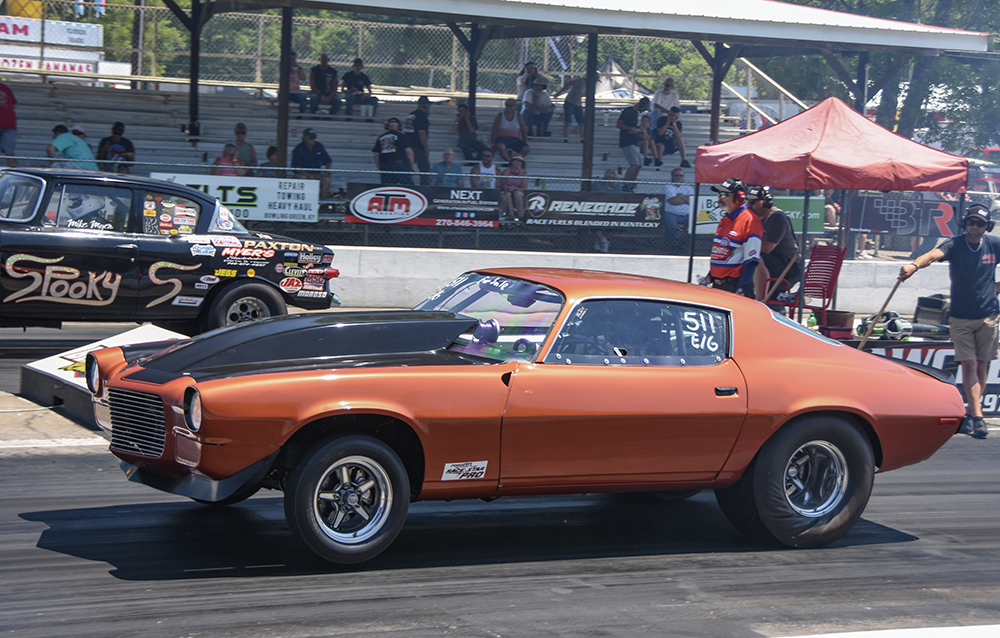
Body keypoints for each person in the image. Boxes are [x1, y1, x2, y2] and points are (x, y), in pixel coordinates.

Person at [900, 203, 999, 440]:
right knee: (970, 365)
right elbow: (932, 255)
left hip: (989, 316)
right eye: (971, 222)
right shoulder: (955, 244)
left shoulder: (994, 244)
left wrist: (996, 288)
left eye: (980, 223)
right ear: (964, 223)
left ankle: (971, 413)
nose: (975, 227)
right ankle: (978, 416)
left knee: (982, 365)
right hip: (960, 317)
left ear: (987, 226)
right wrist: (914, 265)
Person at [704, 178, 763, 298]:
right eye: (719, 194)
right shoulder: (725, 219)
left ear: (739, 197)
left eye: (724, 194)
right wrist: (710, 275)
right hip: (718, 285)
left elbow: (751, 260)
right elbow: (721, 254)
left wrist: (742, 288)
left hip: (735, 287)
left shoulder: (750, 220)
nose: (719, 198)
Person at [747, 185, 801, 300]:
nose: (749, 205)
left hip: (789, 267)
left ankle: (761, 301)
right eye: (748, 201)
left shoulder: (777, 217)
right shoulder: (753, 218)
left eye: (753, 202)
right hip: (774, 263)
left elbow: (767, 248)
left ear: (766, 202)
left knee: (755, 257)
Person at [615, 96, 650, 192]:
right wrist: (631, 128)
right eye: (644, 108)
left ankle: (630, 185)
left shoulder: (635, 114)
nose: (644, 111)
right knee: (634, 164)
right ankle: (624, 184)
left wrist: (640, 128)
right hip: (627, 141)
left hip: (633, 141)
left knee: (639, 165)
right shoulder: (628, 111)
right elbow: (618, 124)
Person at [372, 117, 414, 185]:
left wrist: (379, 166)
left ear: (387, 126)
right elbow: (409, 151)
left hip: (385, 165)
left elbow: (376, 154)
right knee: (408, 186)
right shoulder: (401, 136)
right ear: (399, 126)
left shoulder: (381, 137)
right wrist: (411, 165)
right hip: (398, 165)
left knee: (388, 186)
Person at [292, 128, 332, 197]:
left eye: (314, 137)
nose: (313, 140)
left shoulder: (319, 146)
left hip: (317, 173)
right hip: (303, 174)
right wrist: (310, 176)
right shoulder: (298, 149)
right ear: (305, 138)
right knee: (303, 178)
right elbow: (297, 167)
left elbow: (328, 161)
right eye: (311, 138)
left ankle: (322, 200)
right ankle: (304, 198)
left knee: (327, 179)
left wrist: (325, 172)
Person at [663, 167, 693, 250]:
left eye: (681, 175)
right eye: (676, 175)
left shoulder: (688, 187)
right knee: (672, 227)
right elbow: (673, 201)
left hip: (687, 214)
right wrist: (686, 199)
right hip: (670, 213)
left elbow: (692, 201)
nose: (679, 177)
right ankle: (672, 246)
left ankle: (683, 246)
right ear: (672, 176)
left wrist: (681, 196)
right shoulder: (667, 187)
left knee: (695, 226)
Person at [404, 96, 432, 185]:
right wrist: (426, 147)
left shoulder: (411, 115)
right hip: (418, 147)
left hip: (408, 146)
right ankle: (424, 188)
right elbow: (421, 132)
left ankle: (405, 185)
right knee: (425, 170)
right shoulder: (422, 116)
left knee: (406, 168)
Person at [552, 77, 585, 142]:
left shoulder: (591, 86)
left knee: (581, 122)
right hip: (570, 102)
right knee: (568, 121)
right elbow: (569, 83)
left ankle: (582, 138)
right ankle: (565, 138)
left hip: (578, 103)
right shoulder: (581, 81)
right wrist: (559, 93)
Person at [500, 154, 528, 220]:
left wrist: (515, 188)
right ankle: (512, 215)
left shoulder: (524, 173)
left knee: (518, 194)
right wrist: (506, 187)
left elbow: (524, 187)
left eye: (520, 161)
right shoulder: (506, 172)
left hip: (518, 191)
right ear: (512, 162)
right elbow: (502, 184)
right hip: (507, 191)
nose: (518, 163)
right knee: (507, 194)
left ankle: (519, 215)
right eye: (517, 161)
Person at [0, 81, 17, 167]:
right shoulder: (5, 87)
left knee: (9, 152)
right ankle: (14, 171)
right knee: (9, 152)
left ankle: (14, 170)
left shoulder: (5, 88)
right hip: (9, 123)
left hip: (8, 124)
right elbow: (14, 104)